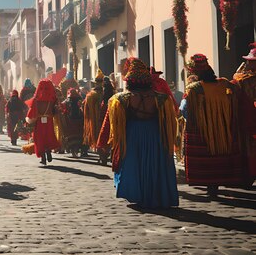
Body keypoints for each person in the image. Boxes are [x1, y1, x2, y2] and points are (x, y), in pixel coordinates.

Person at [97, 58, 179, 209]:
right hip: (155, 136)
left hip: (131, 136)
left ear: (129, 81)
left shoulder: (119, 99)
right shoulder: (162, 99)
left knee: (134, 165)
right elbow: (170, 120)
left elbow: (109, 124)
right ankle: (155, 195)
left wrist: (102, 143)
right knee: (154, 165)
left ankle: (136, 194)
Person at [183, 53, 244, 196]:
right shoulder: (224, 84)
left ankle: (210, 185)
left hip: (202, 128)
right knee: (218, 154)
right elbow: (236, 93)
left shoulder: (193, 89)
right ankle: (217, 183)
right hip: (222, 126)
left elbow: (187, 110)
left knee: (207, 155)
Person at [232, 43, 256, 185]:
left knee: (248, 149)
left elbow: (233, 87)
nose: (247, 64)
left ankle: (248, 176)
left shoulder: (243, 80)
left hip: (248, 119)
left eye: (250, 61)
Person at [24, 79, 60, 165]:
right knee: (49, 136)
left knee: (39, 138)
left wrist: (27, 120)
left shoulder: (36, 101)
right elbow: (56, 111)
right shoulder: (52, 101)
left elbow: (31, 114)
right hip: (49, 121)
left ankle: (43, 158)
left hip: (39, 122)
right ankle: (48, 152)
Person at [83, 69, 104, 156]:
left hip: (94, 119)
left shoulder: (90, 95)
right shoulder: (107, 93)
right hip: (103, 117)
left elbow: (84, 108)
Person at [59, 87, 84, 157]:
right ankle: (75, 151)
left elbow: (61, 107)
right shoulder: (80, 100)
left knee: (71, 137)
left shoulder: (67, 101)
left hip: (70, 122)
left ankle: (73, 152)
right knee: (78, 137)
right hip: (79, 122)